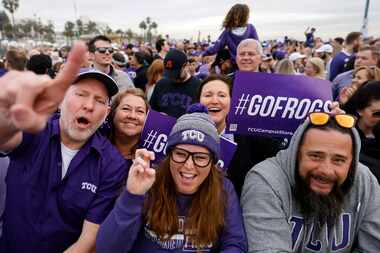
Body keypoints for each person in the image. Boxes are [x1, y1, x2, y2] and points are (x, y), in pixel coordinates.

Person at [0, 42, 128, 253]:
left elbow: (89, 238)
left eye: (99, 100)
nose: (88, 105)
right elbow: (6, 137)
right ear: (61, 101)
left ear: (106, 113)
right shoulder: (35, 130)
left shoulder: (111, 163)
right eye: (80, 94)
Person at [96, 104, 248, 252]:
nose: (188, 165)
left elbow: (235, 242)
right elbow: (107, 248)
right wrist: (132, 195)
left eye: (200, 157)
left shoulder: (223, 188)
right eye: (181, 154)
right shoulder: (148, 180)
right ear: (169, 155)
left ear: (212, 162)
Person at [241, 112, 380, 252]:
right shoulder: (266, 180)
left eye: (339, 160)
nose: (326, 170)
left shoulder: (364, 180)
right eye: (315, 156)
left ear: (352, 163)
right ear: (296, 153)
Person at [198, 75, 281, 196]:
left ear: (232, 101)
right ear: (198, 101)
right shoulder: (183, 136)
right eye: (208, 95)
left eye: (222, 95)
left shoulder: (252, 138)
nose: (214, 100)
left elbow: (282, 159)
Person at [150, 49, 201, 118]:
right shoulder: (161, 84)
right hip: (163, 127)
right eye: (169, 73)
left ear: (186, 66)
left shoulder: (198, 85)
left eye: (175, 73)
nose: (172, 77)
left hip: (186, 127)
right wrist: (158, 116)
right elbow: (152, 110)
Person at [109, 88, 148, 160]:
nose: (132, 116)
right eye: (126, 109)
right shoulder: (96, 147)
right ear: (113, 113)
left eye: (140, 111)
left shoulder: (151, 157)